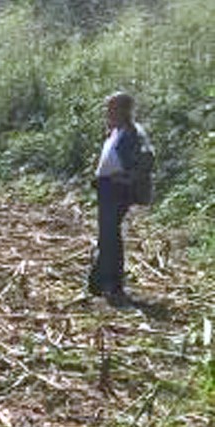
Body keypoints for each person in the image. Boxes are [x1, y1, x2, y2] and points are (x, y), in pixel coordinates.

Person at [89, 91, 151, 307]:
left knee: (110, 237)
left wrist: (126, 179)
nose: (108, 113)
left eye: (112, 108)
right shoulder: (116, 131)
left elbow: (147, 160)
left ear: (124, 110)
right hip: (106, 189)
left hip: (117, 191)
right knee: (107, 236)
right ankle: (98, 283)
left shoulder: (134, 133)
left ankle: (111, 285)